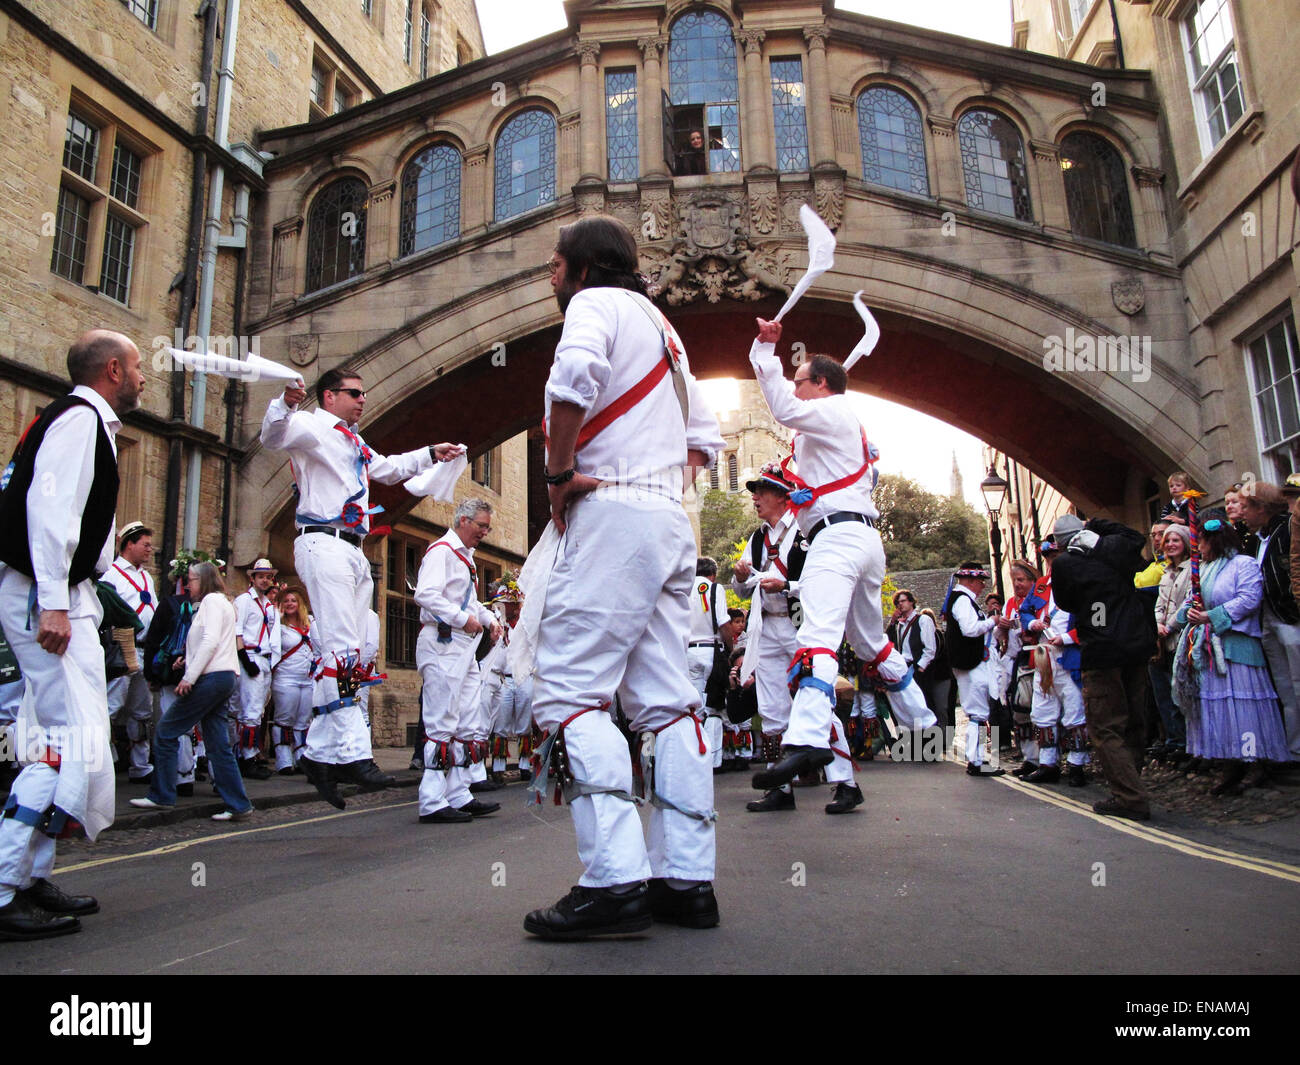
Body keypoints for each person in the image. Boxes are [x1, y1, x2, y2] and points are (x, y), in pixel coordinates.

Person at [522, 214, 724, 939]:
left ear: (581, 266)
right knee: (669, 703)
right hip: (669, 519)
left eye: (554, 265)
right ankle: (686, 879)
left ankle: (613, 881)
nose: (549, 277)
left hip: (609, 509)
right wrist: (659, 489)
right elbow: (704, 440)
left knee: (571, 691)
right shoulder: (667, 332)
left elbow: (571, 384)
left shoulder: (592, 306)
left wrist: (559, 472)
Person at [746, 318, 932, 795]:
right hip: (862, 539)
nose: (794, 385)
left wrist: (765, 354)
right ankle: (920, 715)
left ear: (821, 384)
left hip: (836, 538)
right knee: (870, 642)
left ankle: (806, 737)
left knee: (818, 636)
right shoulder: (842, 427)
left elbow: (784, 408)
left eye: (801, 378)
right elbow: (805, 473)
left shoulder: (831, 413)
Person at [260, 368, 462, 807]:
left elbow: (388, 470)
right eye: (354, 393)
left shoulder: (353, 440)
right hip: (323, 540)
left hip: (354, 548)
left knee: (357, 649)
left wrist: (432, 452)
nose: (363, 400)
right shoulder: (312, 427)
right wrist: (286, 402)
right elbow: (272, 436)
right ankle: (351, 753)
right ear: (329, 396)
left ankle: (321, 755)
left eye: (364, 393)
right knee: (339, 649)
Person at [0, 329, 145, 939]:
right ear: (113, 369)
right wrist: (55, 603)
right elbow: (49, 514)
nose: (145, 377)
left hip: (55, 591)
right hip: (46, 593)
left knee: (59, 738)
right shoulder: (81, 420)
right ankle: (6, 888)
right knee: (67, 741)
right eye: (138, 367)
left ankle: (30, 877)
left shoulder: (83, 421)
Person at [1170, 512, 1291, 793]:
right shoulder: (1204, 570)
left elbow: (1249, 599)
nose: (1197, 548)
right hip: (1210, 649)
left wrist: (1212, 616)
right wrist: (1186, 613)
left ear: (1214, 540)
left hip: (1238, 646)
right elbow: (1189, 601)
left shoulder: (1243, 564)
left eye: (1200, 542)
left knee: (1244, 706)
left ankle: (1256, 761)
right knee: (1220, 707)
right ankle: (1231, 761)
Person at [1050, 513, 1156, 821]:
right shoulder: (1116, 549)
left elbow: (1066, 602)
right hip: (1136, 643)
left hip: (1102, 648)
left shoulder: (1065, 565)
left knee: (1106, 726)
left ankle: (1129, 796)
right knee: (1135, 721)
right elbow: (1136, 537)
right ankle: (1130, 784)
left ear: (1061, 543)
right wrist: (1097, 524)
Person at [130, 562, 253, 821]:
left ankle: (161, 795)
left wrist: (189, 677)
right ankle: (238, 803)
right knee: (218, 744)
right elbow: (215, 642)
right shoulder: (223, 604)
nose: (188, 585)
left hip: (212, 677)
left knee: (166, 731)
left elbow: (209, 642)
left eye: (193, 580)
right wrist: (187, 658)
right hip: (224, 676)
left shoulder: (210, 602)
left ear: (205, 580)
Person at [414, 498, 503, 823]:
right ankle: (431, 800)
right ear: (463, 520)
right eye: (481, 526)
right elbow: (425, 594)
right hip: (443, 642)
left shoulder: (464, 557)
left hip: (462, 646)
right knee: (443, 718)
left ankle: (459, 791)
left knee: (466, 717)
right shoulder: (442, 552)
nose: (485, 532)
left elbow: (467, 600)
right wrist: (460, 617)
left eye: (487, 527)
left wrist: (487, 618)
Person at [1239, 481, 1300, 763]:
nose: (1240, 513)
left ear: (1261, 507)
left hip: (1290, 617)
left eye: (1245, 506)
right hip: (1268, 618)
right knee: (1284, 687)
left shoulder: (1288, 529)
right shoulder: (1255, 539)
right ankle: (1294, 748)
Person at [942, 562, 1011, 776]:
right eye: (981, 582)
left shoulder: (963, 600)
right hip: (970, 663)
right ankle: (977, 760)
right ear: (970, 581)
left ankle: (977, 759)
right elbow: (971, 629)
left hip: (969, 663)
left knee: (977, 713)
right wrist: (993, 621)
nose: (982, 587)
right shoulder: (963, 601)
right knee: (978, 714)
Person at [102, 521, 157, 785]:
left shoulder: (147, 577)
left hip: (145, 649)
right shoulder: (110, 575)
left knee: (142, 710)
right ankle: (100, 763)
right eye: (145, 544)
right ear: (129, 544)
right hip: (123, 647)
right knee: (111, 706)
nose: (150, 549)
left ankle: (140, 764)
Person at [482, 578, 532, 783]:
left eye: (516, 604)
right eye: (510, 604)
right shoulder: (496, 624)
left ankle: (525, 765)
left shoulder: (525, 625)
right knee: (500, 723)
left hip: (523, 677)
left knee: (525, 722)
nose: (515, 608)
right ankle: (498, 766)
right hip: (502, 679)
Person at [232, 558, 279, 778]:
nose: (265, 580)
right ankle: (247, 757)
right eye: (261, 576)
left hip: (265, 659)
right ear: (252, 578)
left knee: (259, 710)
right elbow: (237, 631)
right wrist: (244, 659)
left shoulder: (268, 605)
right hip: (250, 656)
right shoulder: (243, 601)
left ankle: (250, 753)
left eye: (268, 576)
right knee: (249, 710)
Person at [1151, 523, 1193, 764]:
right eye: (1167, 541)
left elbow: (1189, 602)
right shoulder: (1166, 573)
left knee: (1181, 695)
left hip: (1180, 637)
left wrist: (1172, 625)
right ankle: (1175, 740)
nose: (1170, 544)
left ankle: (1188, 743)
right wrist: (1158, 625)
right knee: (1165, 695)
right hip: (1163, 639)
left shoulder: (1192, 570)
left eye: (1175, 540)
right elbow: (1159, 605)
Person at [687, 557, 730, 773]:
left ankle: (693, 755)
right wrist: (730, 649)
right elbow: (723, 622)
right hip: (711, 649)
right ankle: (713, 760)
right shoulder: (714, 589)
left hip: (687, 650)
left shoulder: (683, 588)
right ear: (711, 574)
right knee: (713, 707)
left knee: (693, 706)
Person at [270, 587, 314, 774]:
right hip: (286, 677)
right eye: (286, 601)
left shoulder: (310, 623)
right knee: (284, 718)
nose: (290, 604)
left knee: (303, 720)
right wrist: (275, 618)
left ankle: (301, 755)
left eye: (293, 600)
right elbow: (272, 646)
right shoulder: (279, 626)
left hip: (307, 678)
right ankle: (283, 759)